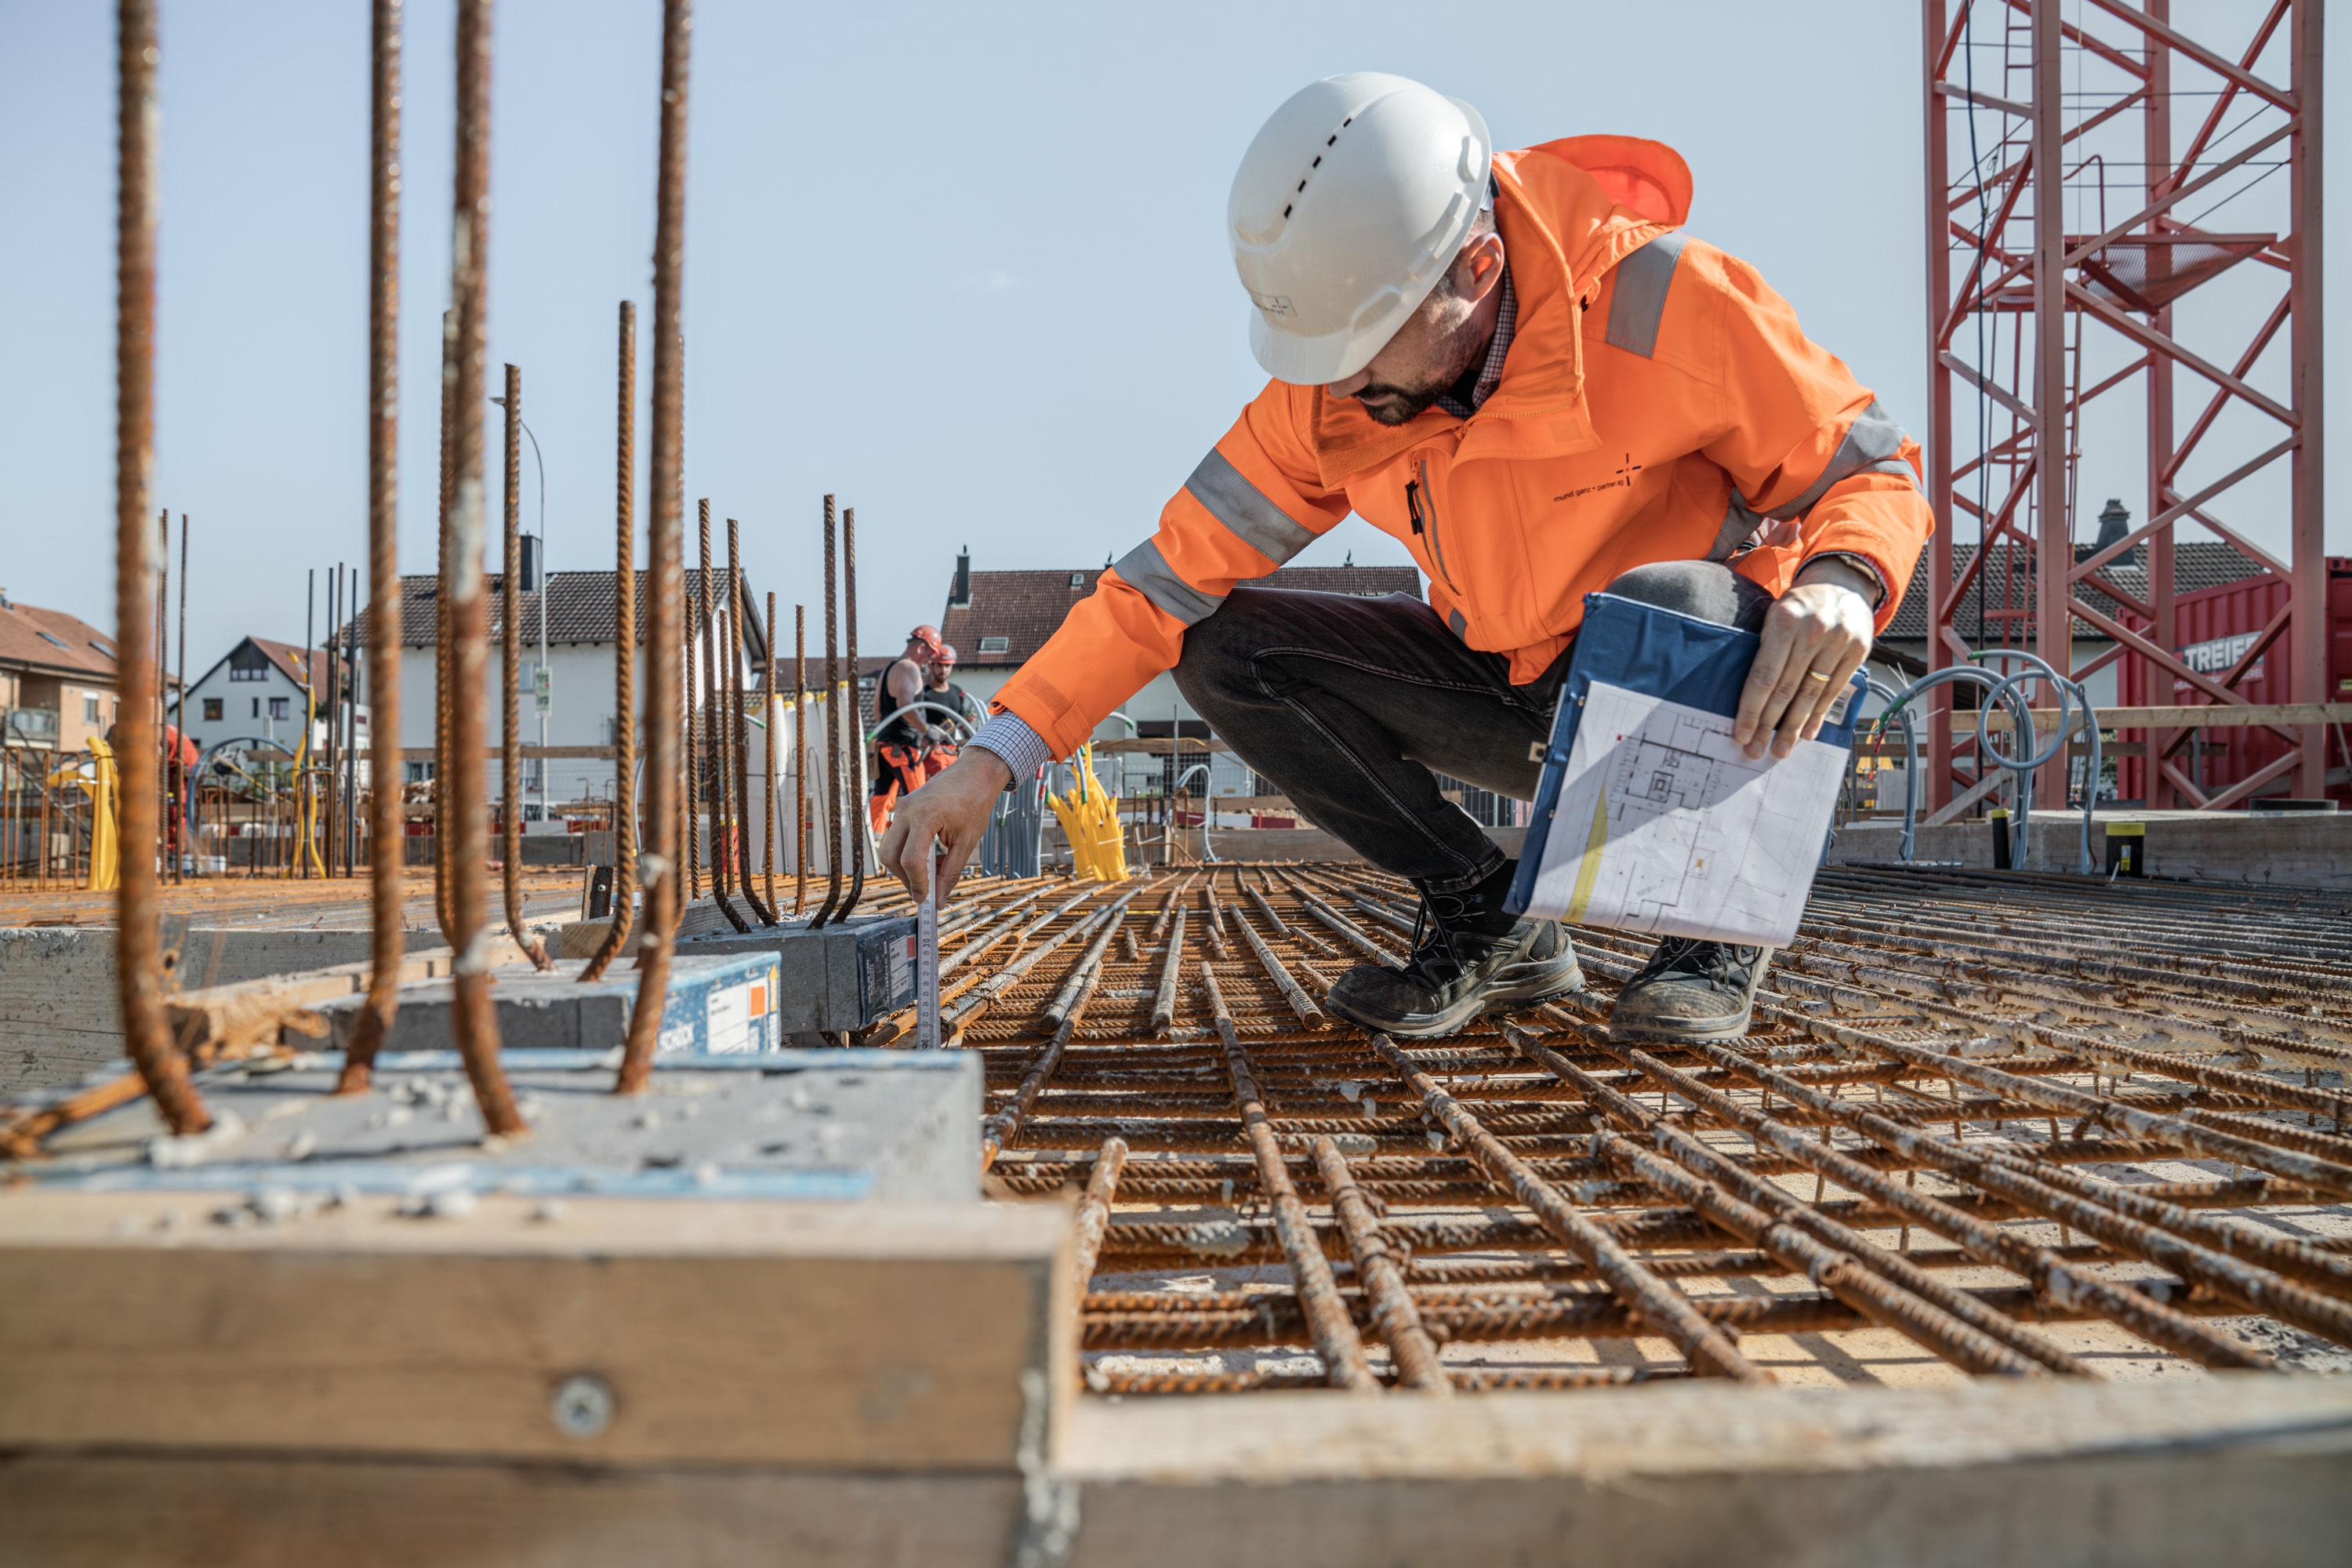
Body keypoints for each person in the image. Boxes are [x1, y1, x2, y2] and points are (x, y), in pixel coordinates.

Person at [884, 73, 1930, 1041]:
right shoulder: (1336, 394)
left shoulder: (1670, 302)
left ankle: (1710, 937)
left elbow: (1873, 474)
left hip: (1691, 699)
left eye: (1359, 351)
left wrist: (1845, 580)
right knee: (1222, 649)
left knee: (1673, 600)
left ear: (1474, 270)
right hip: (1513, 695)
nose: (1339, 388)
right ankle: (1491, 922)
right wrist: (989, 764)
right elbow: (1159, 581)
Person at [869, 625, 944, 834]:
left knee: (882, 799)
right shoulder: (910, 668)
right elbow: (905, 704)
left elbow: (877, 711)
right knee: (921, 799)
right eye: (929, 655)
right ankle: (922, 854)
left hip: (886, 747)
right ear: (921, 648)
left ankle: (874, 852)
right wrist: (926, 730)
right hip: (902, 749)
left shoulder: (889, 669)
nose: (929, 661)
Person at [920, 644, 985, 783]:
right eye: (940, 665)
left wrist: (966, 721)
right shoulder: (924, 695)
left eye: (947, 666)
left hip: (952, 750)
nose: (943, 670)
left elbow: (960, 724)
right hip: (932, 751)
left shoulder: (956, 692)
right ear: (931, 666)